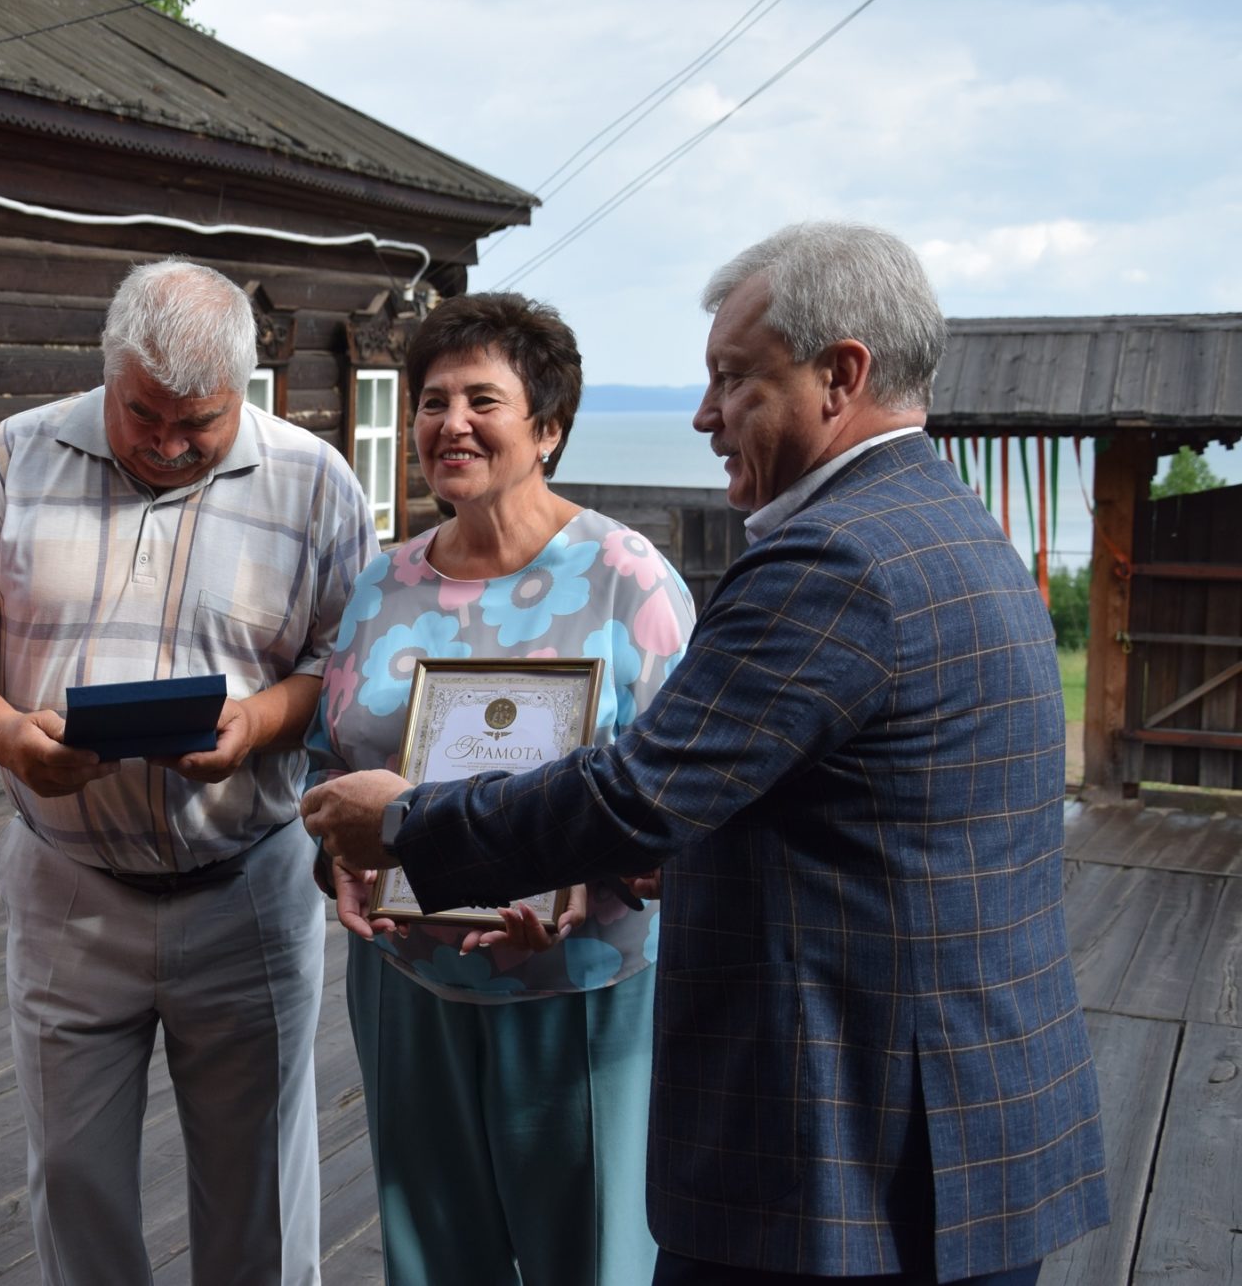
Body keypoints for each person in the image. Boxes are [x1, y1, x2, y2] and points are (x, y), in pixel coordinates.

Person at [302, 223, 1109, 1286]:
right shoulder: (945, 526)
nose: (700, 415)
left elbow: (638, 793)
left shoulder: (829, 560)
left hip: (845, 1152)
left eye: (732, 380)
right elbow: (831, 815)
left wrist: (402, 825)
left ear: (840, 375)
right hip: (957, 1122)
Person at [0, 259, 377, 1286]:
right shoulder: (15, 456)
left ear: (244, 389)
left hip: (247, 880)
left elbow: (341, 666)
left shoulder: (314, 479)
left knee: (259, 1188)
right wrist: (7, 740)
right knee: (73, 1179)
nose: (166, 445)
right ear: (106, 371)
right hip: (67, 879)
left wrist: (254, 724)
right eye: (142, 414)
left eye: (196, 424)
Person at [306, 293, 693, 1286]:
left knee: (593, 1258)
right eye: (431, 402)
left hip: (577, 986)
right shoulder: (381, 582)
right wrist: (336, 861)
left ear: (548, 427)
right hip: (408, 985)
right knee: (432, 1261)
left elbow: (681, 804)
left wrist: (580, 877)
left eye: (483, 399)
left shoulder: (627, 581)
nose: (449, 423)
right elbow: (327, 763)